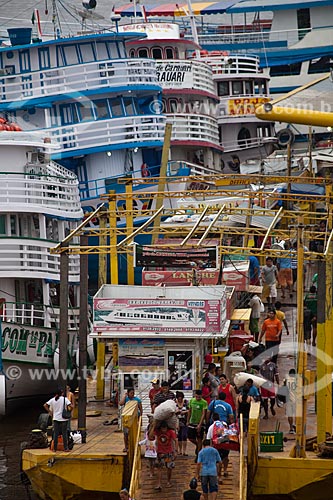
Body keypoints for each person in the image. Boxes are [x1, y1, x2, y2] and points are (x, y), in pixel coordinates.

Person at [150, 421, 177, 491]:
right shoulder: (157, 432)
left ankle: (168, 481)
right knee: (159, 468)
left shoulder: (170, 432)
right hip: (160, 453)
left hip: (168, 453)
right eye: (162, 428)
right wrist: (153, 426)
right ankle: (159, 484)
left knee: (169, 467)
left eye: (165, 428)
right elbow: (150, 436)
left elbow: (175, 440)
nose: (164, 430)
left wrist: (175, 451)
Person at [44, 387, 72, 452]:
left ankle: (54, 448)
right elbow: (71, 406)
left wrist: (50, 412)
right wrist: (69, 412)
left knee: (56, 434)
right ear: (62, 393)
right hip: (63, 419)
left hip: (55, 418)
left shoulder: (53, 400)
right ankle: (65, 448)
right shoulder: (65, 399)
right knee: (64, 433)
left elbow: (45, 405)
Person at [206, 413, 230, 482]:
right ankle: (225, 470)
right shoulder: (224, 423)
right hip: (225, 444)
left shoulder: (211, 427)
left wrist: (210, 449)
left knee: (218, 461)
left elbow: (209, 439)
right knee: (225, 457)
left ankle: (219, 476)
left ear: (212, 419)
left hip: (217, 446)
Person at [119, 388, 143, 453]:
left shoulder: (137, 400)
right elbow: (120, 403)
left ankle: (134, 446)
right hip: (127, 419)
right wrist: (124, 396)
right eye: (131, 393)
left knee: (134, 433)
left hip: (135, 418)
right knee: (126, 434)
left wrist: (140, 418)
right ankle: (126, 446)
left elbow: (141, 409)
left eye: (133, 393)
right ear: (128, 393)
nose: (132, 394)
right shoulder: (126, 399)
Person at [187, 389, 208, 461]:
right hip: (192, 421)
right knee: (190, 438)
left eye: (199, 397)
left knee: (199, 439)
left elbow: (203, 414)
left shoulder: (204, 402)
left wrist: (200, 424)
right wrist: (188, 420)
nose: (198, 398)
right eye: (197, 397)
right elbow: (189, 411)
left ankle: (198, 455)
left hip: (200, 423)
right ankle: (197, 445)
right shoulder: (192, 401)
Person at [283, 368, 297, 434]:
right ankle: (297, 425)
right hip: (297, 400)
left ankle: (291, 428)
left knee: (290, 415)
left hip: (289, 400)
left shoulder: (286, 380)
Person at [175, 391, 189, 456]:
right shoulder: (174, 403)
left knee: (184, 435)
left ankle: (184, 450)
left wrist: (185, 412)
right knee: (179, 436)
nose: (180, 400)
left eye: (181, 398)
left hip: (184, 421)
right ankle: (180, 450)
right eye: (178, 398)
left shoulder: (186, 402)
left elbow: (189, 410)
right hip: (177, 421)